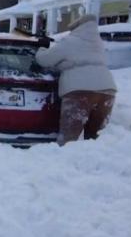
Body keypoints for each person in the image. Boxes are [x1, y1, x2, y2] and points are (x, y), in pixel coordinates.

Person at [35, 15, 117, 145]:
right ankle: (94, 161)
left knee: (69, 136)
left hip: (80, 91)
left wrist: (41, 48)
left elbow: (44, 60)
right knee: (97, 137)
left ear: (77, 28)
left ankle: (65, 162)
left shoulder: (70, 41)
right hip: (107, 91)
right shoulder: (98, 43)